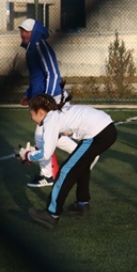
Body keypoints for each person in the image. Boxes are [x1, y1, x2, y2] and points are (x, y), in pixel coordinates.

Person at [23, 94, 118, 229]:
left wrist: (28, 156)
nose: (30, 117)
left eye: (31, 113)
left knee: (65, 171)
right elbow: (59, 136)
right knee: (82, 166)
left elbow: (45, 154)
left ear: (40, 112)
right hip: (107, 130)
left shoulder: (50, 119)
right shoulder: (57, 114)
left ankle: (51, 214)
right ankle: (82, 205)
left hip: (98, 135)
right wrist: (35, 150)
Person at [19, 17, 76, 188]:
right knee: (53, 136)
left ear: (34, 32)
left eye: (26, 31)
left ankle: (47, 175)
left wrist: (46, 100)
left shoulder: (39, 46)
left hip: (54, 99)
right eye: (21, 30)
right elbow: (37, 78)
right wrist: (28, 94)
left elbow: (53, 74)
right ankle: (84, 155)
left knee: (42, 135)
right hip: (49, 99)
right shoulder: (32, 49)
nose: (22, 33)